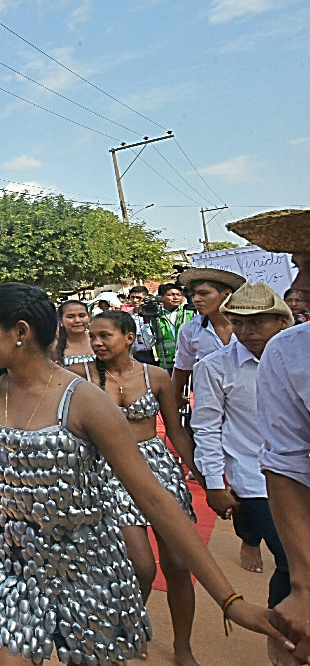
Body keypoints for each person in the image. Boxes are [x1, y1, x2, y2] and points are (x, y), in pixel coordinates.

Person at [0, 282, 287, 665]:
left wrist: (230, 601)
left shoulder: (85, 401)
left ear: (20, 332)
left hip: (89, 565)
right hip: (12, 561)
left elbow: (154, 500)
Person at [70, 310, 201, 664]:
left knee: (177, 563)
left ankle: (182, 646)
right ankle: (124, 630)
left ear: (129, 337)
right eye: (92, 336)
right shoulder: (81, 377)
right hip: (111, 472)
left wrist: (204, 476)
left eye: (104, 336)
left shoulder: (156, 376)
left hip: (159, 469)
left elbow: (175, 431)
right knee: (140, 566)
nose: (96, 342)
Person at [224, 209, 310, 664]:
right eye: (298, 266)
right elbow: (287, 462)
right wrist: (305, 588)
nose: (301, 284)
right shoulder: (291, 354)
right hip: (254, 480)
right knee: (285, 558)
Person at [190, 281, 292, 608]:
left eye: (257, 321)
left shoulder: (300, 358)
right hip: (254, 478)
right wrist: (215, 485)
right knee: (291, 560)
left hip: (300, 474)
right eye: (238, 322)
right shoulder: (214, 367)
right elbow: (206, 428)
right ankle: (283, 635)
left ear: (283, 322)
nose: (246, 331)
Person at [170, 268, 244, 416]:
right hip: (210, 400)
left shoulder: (248, 326)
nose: (196, 299)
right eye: (194, 295)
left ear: (227, 294)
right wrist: (176, 395)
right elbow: (183, 365)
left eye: (204, 293)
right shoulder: (190, 330)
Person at [152, 282, 196, 371]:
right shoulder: (156, 316)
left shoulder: (189, 313)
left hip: (189, 362)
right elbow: (149, 342)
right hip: (166, 364)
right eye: (171, 295)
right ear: (161, 297)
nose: (175, 297)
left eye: (178, 295)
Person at [54, 300, 96, 366]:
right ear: (61, 321)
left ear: (89, 317)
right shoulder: (53, 346)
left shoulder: (98, 340)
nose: (77, 320)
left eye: (82, 316)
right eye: (70, 317)